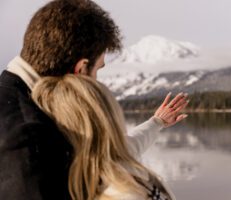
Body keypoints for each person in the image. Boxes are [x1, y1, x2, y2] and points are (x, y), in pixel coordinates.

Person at [0, 0, 188, 199]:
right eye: (98, 69)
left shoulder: (26, 104)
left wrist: (156, 123)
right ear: (80, 69)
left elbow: (107, 158)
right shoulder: (28, 141)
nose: (97, 80)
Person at [31, 74, 187, 200]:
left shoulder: (95, 163)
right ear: (100, 118)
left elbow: (132, 142)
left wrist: (157, 122)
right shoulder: (124, 194)